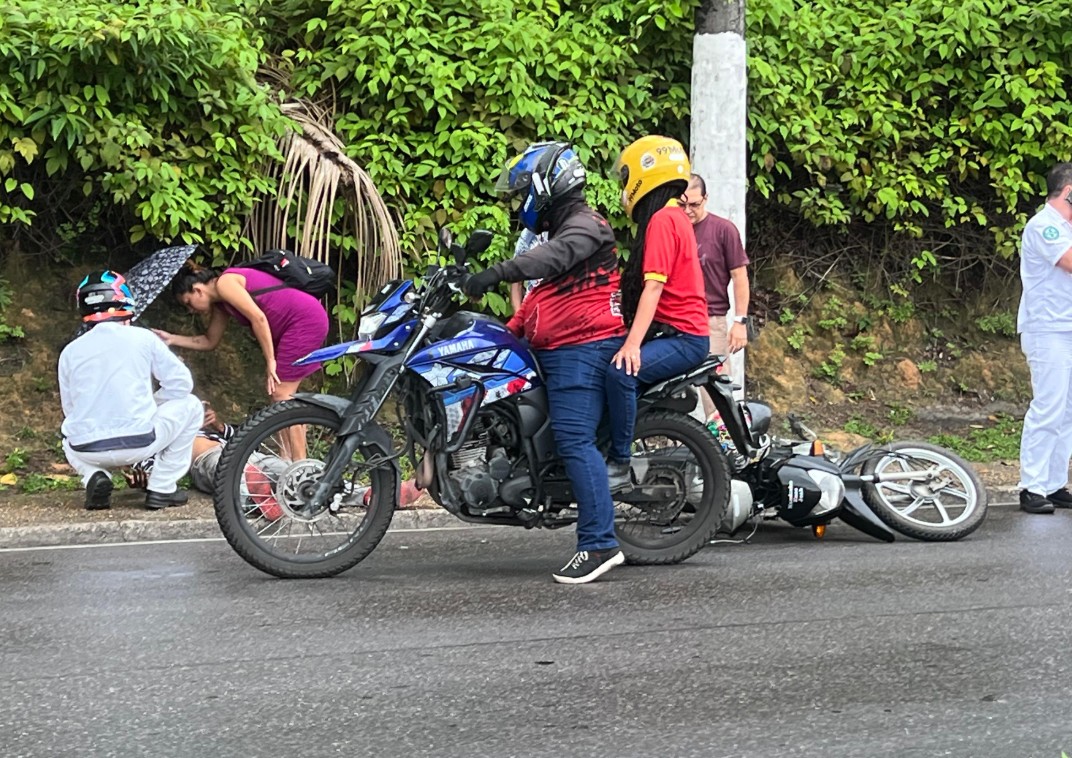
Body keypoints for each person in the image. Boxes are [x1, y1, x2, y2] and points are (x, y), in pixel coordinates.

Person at [462, 141, 628, 584]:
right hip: (559, 346)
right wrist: (507, 330)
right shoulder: (564, 229)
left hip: (583, 349)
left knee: (575, 439)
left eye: (523, 193)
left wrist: (499, 271)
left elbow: (550, 259)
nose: (520, 203)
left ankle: (599, 544)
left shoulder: (586, 226)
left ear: (546, 186)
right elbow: (544, 298)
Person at [604, 136, 710, 488]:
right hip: (677, 332)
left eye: (626, 179)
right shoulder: (675, 216)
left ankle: (620, 462)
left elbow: (654, 287)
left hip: (685, 337)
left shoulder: (664, 220)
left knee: (621, 372)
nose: (624, 189)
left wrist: (632, 345)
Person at [59, 271, 203, 511]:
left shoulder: (69, 352)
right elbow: (181, 385)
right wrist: (154, 403)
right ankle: (162, 487)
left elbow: (70, 409)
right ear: (123, 300)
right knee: (192, 405)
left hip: (86, 449)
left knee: (68, 431)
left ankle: (93, 475)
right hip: (139, 442)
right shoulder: (144, 338)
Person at [153, 261, 330, 402]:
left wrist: (270, 361)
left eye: (188, 303)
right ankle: (292, 435)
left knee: (281, 394)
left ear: (198, 290)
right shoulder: (221, 304)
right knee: (281, 398)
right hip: (293, 325)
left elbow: (258, 318)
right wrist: (171, 339)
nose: (191, 310)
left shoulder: (226, 283)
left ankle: (298, 438)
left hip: (304, 320)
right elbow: (209, 341)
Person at [1016, 162, 1072, 515]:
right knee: (1049, 407)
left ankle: (1054, 483)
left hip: (1068, 327)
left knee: (1068, 411)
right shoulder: (1044, 226)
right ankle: (1032, 486)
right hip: (1048, 329)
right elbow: (1069, 261)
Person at [508, 229, 548, 312]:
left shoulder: (571, 231)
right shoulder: (529, 234)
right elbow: (516, 279)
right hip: (532, 310)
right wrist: (518, 315)